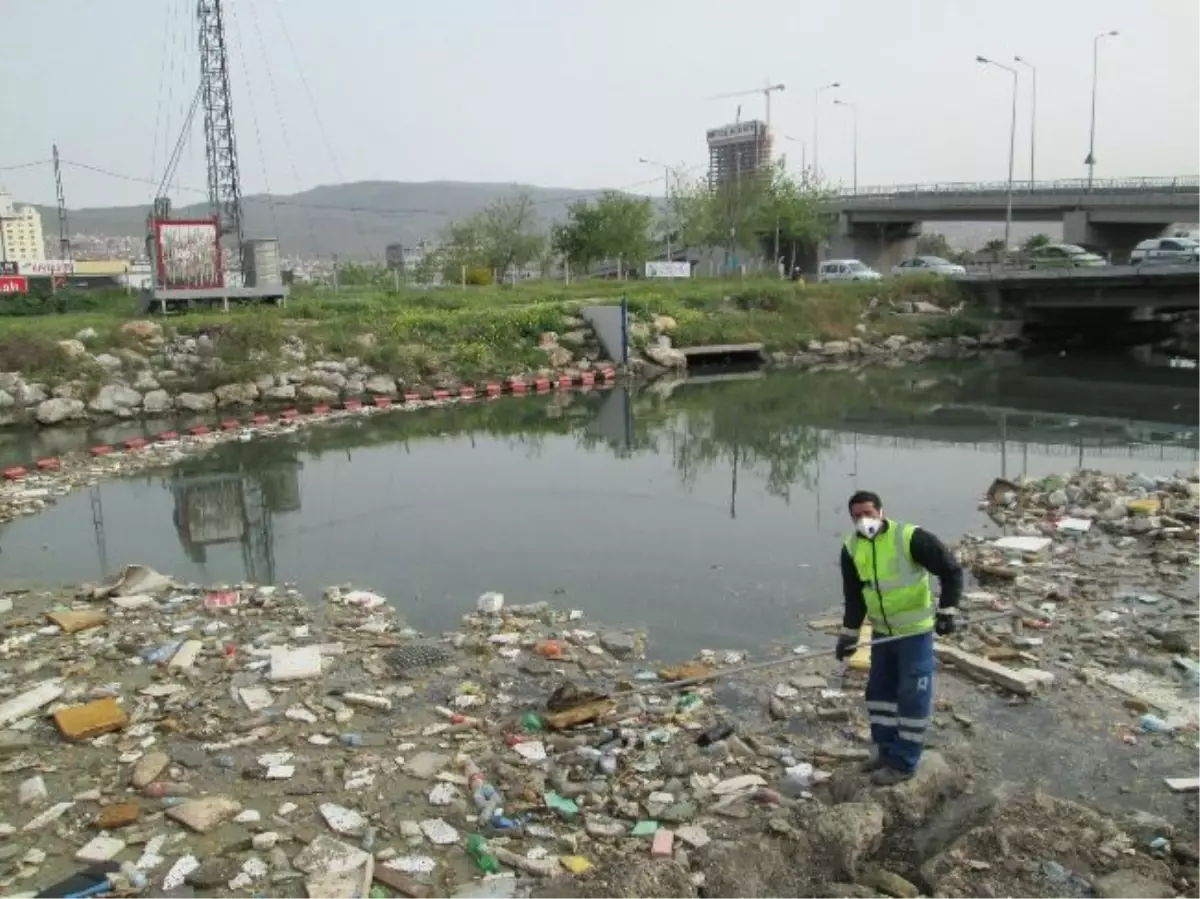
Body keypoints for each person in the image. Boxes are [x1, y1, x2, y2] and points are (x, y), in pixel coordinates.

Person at [835, 490, 963, 785]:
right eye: (856, 515)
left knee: (912, 695)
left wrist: (948, 610)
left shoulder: (910, 537)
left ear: (881, 511)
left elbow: (951, 570)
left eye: (868, 512)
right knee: (879, 693)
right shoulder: (851, 548)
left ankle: (905, 763)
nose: (863, 519)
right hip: (882, 634)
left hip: (915, 633)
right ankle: (886, 750)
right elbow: (854, 597)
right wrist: (848, 635)